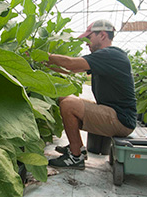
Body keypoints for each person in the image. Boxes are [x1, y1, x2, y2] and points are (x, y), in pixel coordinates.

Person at [47, 19, 137, 170]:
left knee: (69, 105)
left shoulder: (110, 55)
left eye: (89, 38)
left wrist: (44, 55)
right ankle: (77, 148)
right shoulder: (106, 57)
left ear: (102, 35)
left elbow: (71, 64)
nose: (86, 43)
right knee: (65, 99)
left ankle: (75, 157)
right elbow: (71, 70)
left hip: (121, 119)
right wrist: (44, 63)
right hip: (113, 113)